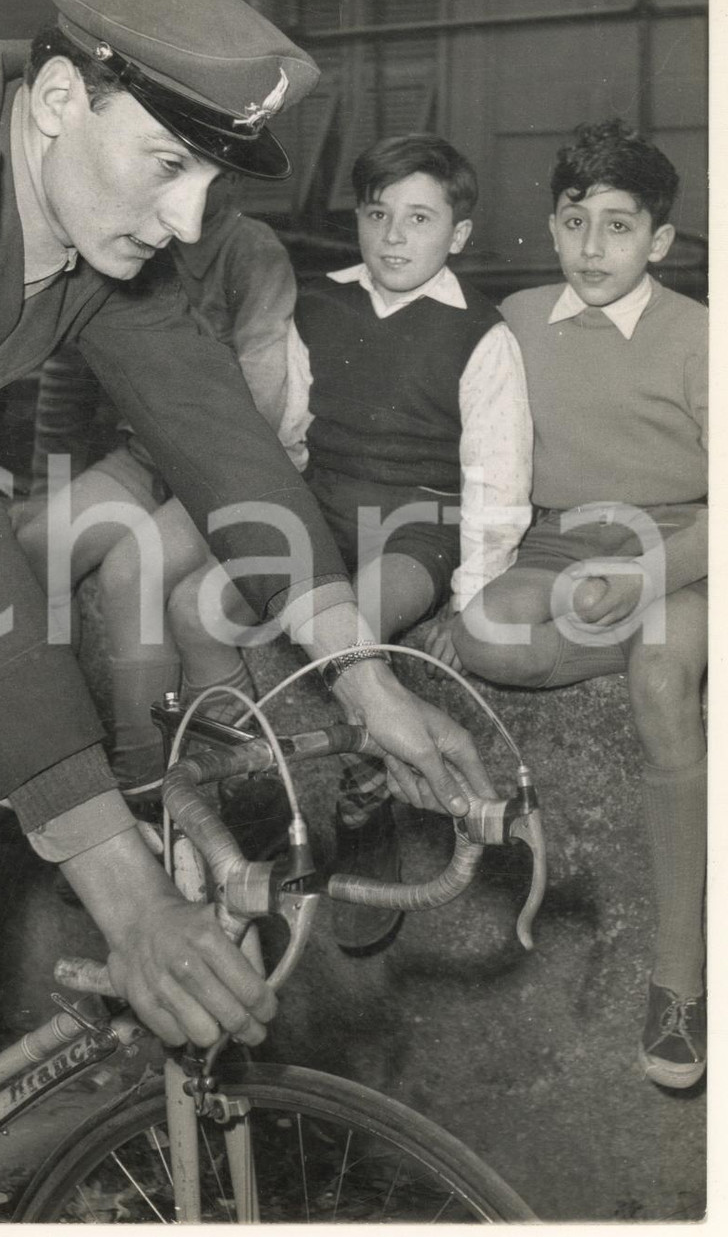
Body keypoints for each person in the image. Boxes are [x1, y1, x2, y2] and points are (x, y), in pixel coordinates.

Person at [0, 0, 500, 1200]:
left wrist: (364, 680)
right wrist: (128, 896)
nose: (191, 222)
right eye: (168, 166)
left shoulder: (90, 213)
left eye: (213, 180)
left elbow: (218, 435)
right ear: (57, 100)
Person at [164, 133, 533, 951]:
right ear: (359, 220)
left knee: (356, 619)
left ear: (458, 235)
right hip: (320, 509)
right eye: (378, 215)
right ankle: (241, 798)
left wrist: (470, 601)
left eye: (419, 218)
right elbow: (293, 429)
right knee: (194, 609)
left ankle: (364, 802)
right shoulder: (321, 302)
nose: (395, 236)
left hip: (416, 526)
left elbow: (498, 484)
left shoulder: (481, 333)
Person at [451, 119, 707, 1089]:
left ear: (658, 239)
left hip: (687, 548)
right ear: (549, 228)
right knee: (484, 630)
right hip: (561, 539)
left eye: (617, 226)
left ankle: (679, 974)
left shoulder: (699, 336)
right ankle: (640, 633)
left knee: (658, 674)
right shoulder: (514, 319)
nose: (592, 249)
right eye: (572, 223)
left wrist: (648, 583)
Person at [16, 175, 304, 793]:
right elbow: (68, 372)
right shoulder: (136, 234)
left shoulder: (253, 252)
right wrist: (46, 483)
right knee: (38, 548)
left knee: (130, 572)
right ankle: (60, 755)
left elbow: (265, 384)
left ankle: (147, 777)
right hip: (146, 458)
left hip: (225, 466)